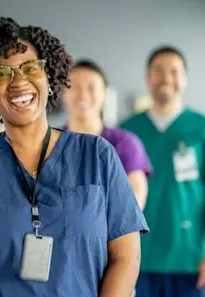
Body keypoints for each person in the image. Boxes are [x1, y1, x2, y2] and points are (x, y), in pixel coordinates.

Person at [0, 17, 149, 297]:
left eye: (30, 68)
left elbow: (126, 258)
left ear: (49, 77)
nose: (18, 81)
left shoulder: (97, 155)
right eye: (2, 73)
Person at [120, 45, 205, 297]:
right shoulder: (127, 133)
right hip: (138, 259)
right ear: (147, 77)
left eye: (174, 71)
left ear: (184, 78)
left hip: (191, 260)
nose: (166, 78)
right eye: (158, 70)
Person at [62, 59, 152, 209]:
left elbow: (134, 204)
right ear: (63, 92)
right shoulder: (48, 143)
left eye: (91, 88)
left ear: (105, 92)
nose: (83, 95)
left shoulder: (126, 143)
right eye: (75, 87)